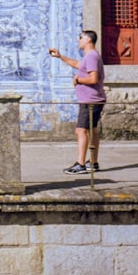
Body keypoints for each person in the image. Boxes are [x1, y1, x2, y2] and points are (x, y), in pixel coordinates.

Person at [49, 30, 106, 175]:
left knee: (81, 130)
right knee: (92, 131)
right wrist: (60, 56)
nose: (78, 40)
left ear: (88, 40)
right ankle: (93, 163)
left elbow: (93, 79)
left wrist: (78, 80)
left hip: (90, 100)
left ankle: (80, 164)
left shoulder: (92, 56)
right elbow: (78, 65)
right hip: (94, 99)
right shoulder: (91, 56)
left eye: (80, 38)